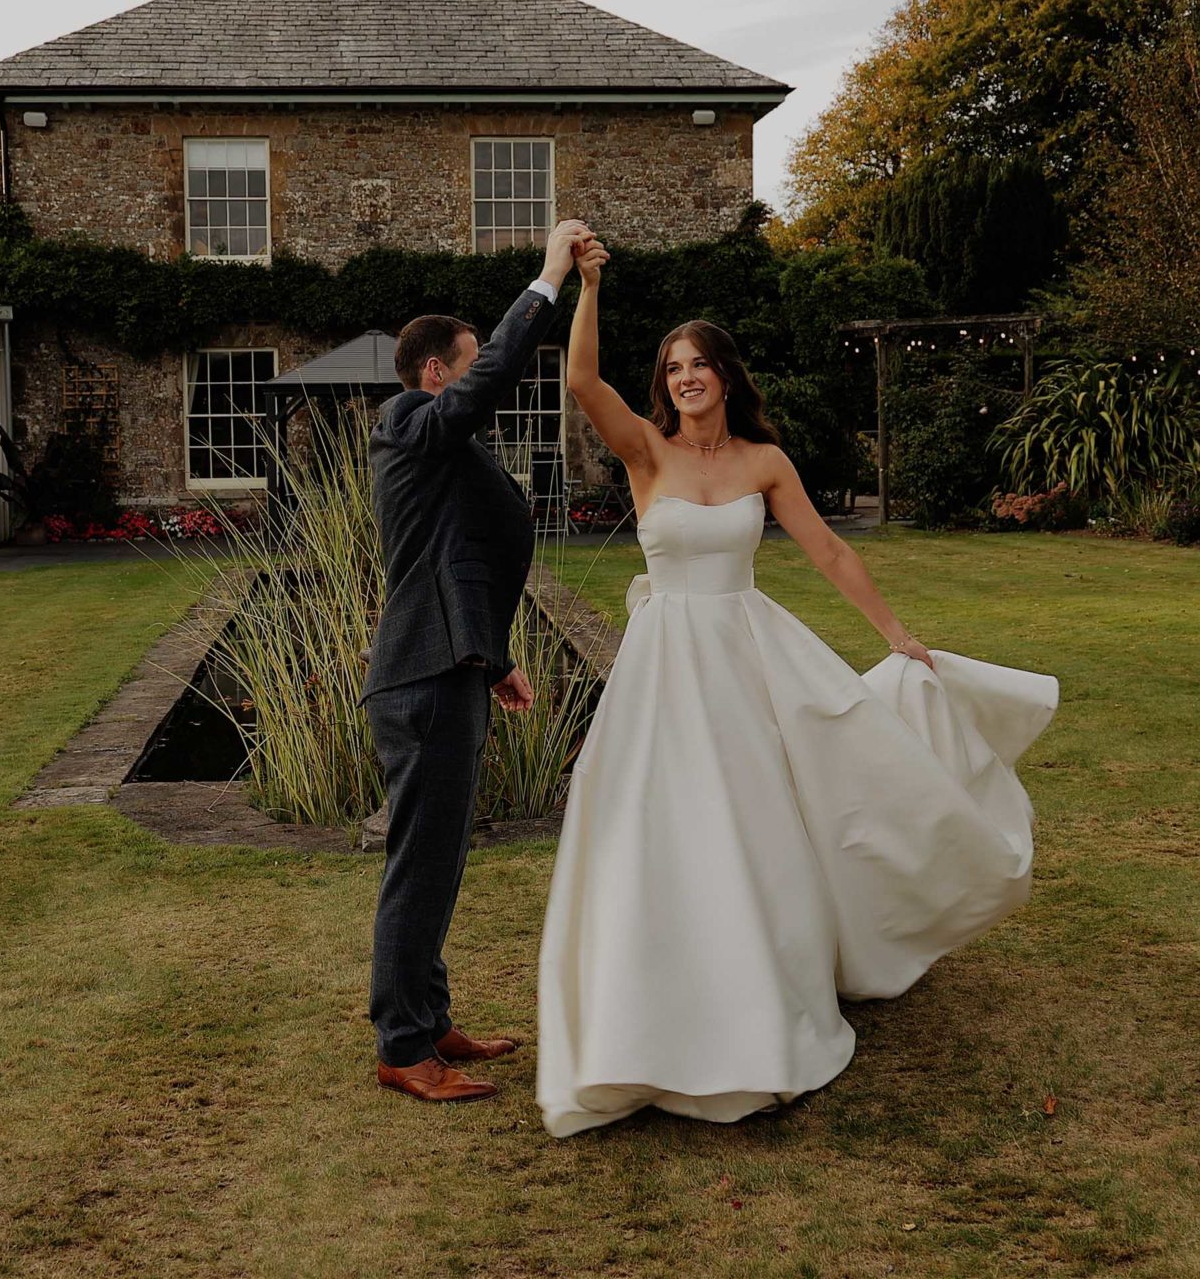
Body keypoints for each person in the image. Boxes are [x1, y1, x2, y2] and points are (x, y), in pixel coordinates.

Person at [535, 233, 1060, 1137]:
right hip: (663, 669)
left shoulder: (763, 463)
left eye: (700, 364)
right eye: (674, 367)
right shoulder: (646, 454)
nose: (687, 377)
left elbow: (828, 549)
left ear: (726, 378)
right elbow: (583, 383)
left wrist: (897, 636)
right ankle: (650, 1006)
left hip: (744, 659)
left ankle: (764, 990)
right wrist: (582, 283)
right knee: (659, 821)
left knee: (759, 816)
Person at [363, 216, 596, 1103]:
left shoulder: (437, 446)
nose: (477, 374)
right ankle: (401, 1048)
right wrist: (547, 281)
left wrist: (492, 658)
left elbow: (455, 556)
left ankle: (429, 1021)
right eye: (468, 361)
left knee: (443, 854)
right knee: (419, 863)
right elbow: (492, 378)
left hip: (447, 666)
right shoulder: (410, 419)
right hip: (419, 679)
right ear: (437, 372)